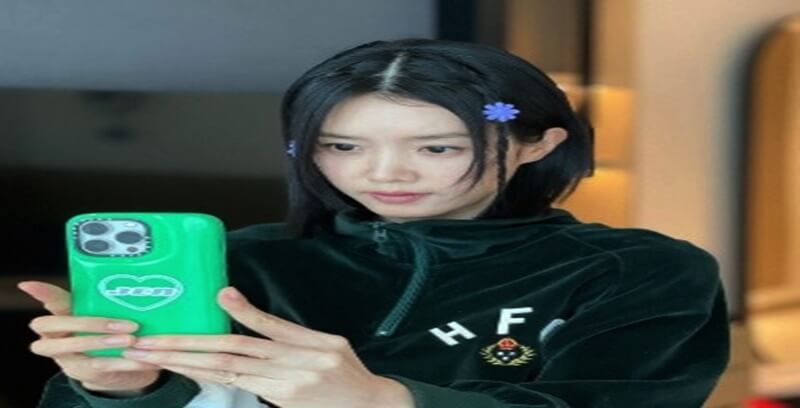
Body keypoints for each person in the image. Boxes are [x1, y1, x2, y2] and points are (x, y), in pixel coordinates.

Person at [20, 38, 730, 407]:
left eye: (437, 148)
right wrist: (117, 390)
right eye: (343, 147)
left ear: (536, 144)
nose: (384, 174)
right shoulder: (239, 265)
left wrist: (383, 401)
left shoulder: (640, 272)